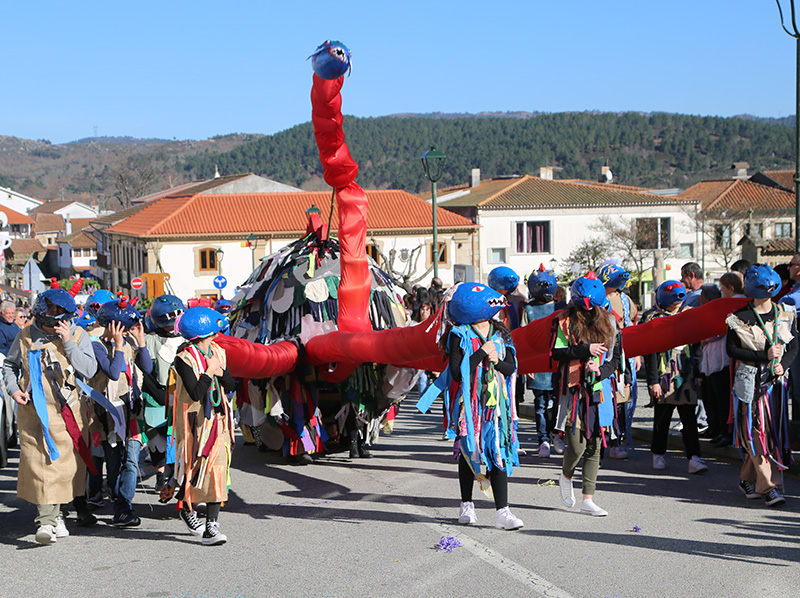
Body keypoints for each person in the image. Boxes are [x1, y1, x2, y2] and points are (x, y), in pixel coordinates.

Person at [416, 282, 523, 530]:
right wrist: (480, 354)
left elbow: (511, 368)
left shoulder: (501, 334)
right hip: (469, 405)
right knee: (468, 453)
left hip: (495, 407)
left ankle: (502, 512)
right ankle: (467, 505)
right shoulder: (459, 334)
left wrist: (496, 361)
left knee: (497, 452)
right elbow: (456, 373)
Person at [2, 286, 98, 544]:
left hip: (67, 412)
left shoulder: (77, 335)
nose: (54, 314)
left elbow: (89, 368)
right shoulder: (24, 335)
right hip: (33, 413)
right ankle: (45, 522)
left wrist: (67, 343)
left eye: (60, 311)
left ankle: (58, 515)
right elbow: (10, 366)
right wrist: (13, 390)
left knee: (64, 468)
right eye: (50, 309)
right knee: (42, 465)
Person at [727, 264, 796, 507]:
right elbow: (732, 350)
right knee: (757, 432)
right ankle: (770, 487)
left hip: (775, 385)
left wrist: (783, 364)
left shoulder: (785, 314)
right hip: (749, 384)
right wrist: (763, 356)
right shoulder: (738, 318)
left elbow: (794, 345)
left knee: (771, 433)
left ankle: (747, 478)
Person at [552, 273, 620, 517]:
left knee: (595, 444)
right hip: (574, 391)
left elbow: (617, 359)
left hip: (600, 390)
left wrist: (600, 370)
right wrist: (584, 350)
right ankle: (566, 474)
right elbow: (556, 353)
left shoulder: (611, 321)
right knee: (578, 444)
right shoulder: (564, 321)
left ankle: (588, 499)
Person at [87, 298, 152, 527]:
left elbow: (147, 368)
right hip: (108, 415)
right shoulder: (96, 346)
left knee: (131, 461)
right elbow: (113, 373)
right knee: (114, 464)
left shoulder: (129, 345)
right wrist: (117, 345)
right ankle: (118, 502)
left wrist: (141, 343)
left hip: (132, 411)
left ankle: (124, 506)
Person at [173, 306, 235, 545]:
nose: (215, 338)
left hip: (218, 423)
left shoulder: (218, 351)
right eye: (212, 334)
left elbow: (230, 383)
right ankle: (187, 510)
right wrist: (209, 371)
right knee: (195, 470)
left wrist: (218, 370)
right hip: (193, 426)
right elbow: (196, 392)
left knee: (218, 470)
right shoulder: (184, 359)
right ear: (203, 333)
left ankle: (211, 526)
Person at [641, 280, 708, 474]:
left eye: (678, 302)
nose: (675, 305)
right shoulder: (652, 318)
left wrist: (698, 372)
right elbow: (650, 352)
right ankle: (658, 454)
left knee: (689, 418)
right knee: (662, 417)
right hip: (664, 374)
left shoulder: (689, 315)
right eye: (672, 302)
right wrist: (653, 381)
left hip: (686, 372)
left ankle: (694, 457)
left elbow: (696, 346)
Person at [141, 294, 186, 493]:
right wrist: (157, 393)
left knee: (179, 438)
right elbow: (145, 370)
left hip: (184, 394)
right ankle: (161, 472)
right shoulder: (151, 340)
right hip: (157, 396)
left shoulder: (188, 337)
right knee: (157, 438)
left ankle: (175, 473)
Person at [597, 263, 639, 460]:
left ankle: (616, 440)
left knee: (621, 398)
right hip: (600, 352)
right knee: (601, 397)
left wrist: (636, 353)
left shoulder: (625, 299)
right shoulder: (596, 295)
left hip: (620, 354)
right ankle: (598, 441)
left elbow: (632, 324)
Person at [522, 264, 564, 457]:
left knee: (558, 401)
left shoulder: (560, 308)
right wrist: (527, 363)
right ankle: (543, 439)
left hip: (558, 361)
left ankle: (556, 433)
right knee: (540, 403)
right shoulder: (528, 310)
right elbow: (524, 337)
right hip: (537, 362)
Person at [698, 283, 733, 449]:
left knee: (721, 400)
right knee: (709, 398)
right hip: (709, 363)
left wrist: (704, 336)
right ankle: (713, 428)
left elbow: (718, 330)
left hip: (720, 362)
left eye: (702, 295)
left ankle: (724, 431)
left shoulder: (721, 310)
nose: (699, 298)